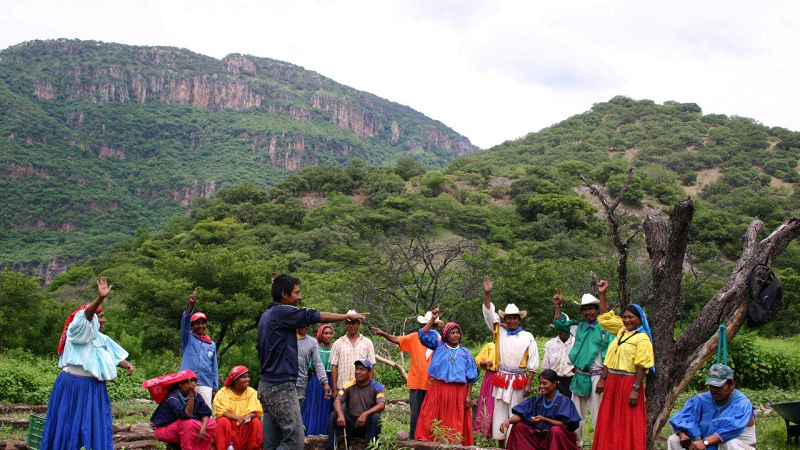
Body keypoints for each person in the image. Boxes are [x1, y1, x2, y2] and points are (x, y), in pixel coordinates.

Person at [257, 274, 368, 450]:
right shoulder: (282, 312)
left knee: (272, 442)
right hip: (281, 387)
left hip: (266, 385)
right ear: (284, 294)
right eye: (296, 292)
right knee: (295, 439)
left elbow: (260, 354)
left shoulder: (266, 316)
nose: (299, 297)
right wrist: (346, 316)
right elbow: (316, 316)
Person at [41, 276, 134, 450]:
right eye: (101, 317)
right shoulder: (76, 332)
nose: (104, 320)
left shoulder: (102, 339)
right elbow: (85, 316)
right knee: (69, 424)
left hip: (94, 388)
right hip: (73, 386)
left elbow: (113, 355)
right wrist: (100, 299)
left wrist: (126, 364)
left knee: (94, 425)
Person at [592, 284, 655, 450]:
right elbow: (605, 318)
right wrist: (602, 295)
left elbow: (642, 366)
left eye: (631, 317)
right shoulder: (621, 331)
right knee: (609, 418)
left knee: (627, 420)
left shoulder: (642, 339)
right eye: (625, 317)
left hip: (628, 383)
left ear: (640, 319)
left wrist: (635, 388)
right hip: (612, 381)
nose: (627, 320)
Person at [553, 283, 614, 446]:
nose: (588, 312)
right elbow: (559, 324)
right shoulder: (578, 327)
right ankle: (575, 444)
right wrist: (558, 305)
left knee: (598, 414)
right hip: (580, 375)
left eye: (591, 309)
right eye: (585, 309)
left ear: (596, 309)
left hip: (597, 376)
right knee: (576, 414)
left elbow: (610, 354)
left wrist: (603, 378)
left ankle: (600, 445)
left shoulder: (604, 329)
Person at [482, 276, 540, 444]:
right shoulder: (500, 332)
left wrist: (529, 382)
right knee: (499, 411)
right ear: (505, 319)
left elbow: (533, 362)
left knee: (517, 412)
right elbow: (489, 315)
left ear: (519, 319)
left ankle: (516, 444)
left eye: (515, 318)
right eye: (509, 318)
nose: (512, 320)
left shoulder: (527, 336)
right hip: (502, 377)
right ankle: (501, 443)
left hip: (518, 379)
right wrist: (487, 294)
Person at [371, 310, 444, 439]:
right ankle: (414, 439)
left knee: (433, 414)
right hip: (417, 382)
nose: (428, 327)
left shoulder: (441, 341)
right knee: (416, 414)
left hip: (435, 384)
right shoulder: (415, 337)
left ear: (435, 326)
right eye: (426, 324)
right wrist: (383, 334)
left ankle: (431, 439)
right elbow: (397, 339)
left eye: (432, 324)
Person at [415, 308, 478, 446]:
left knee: (454, 420)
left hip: (458, 392)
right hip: (438, 389)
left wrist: (468, 395)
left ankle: (454, 443)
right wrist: (432, 318)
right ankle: (430, 443)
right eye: (452, 333)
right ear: (446, 335)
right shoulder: (438, 346)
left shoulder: (465, 353)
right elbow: (422, 335)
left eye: (457, 333)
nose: (455, 335)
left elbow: (470, 376)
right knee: (432, 416)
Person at [668, 364, 756, 450]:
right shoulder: (701, 400)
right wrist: (683, 435)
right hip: (709, 447)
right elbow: (682, 419)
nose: (715, 390)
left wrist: (705, 442)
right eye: (712, 386)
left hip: (738, 446)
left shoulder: (742, 404)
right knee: (674, 439)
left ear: (732, 384)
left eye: (719, 386)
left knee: (729, 443)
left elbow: (731, 430)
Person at [500, 369, 582, 450]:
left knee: (555, 430)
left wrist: (544, 419)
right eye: (540, 383)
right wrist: (508, 421)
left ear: (554, 383)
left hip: (556, 440)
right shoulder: (537, 399)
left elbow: (564, 425)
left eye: (544, 383)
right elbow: (522, 414)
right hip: (538, 438)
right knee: (519, 426)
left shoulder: (564, 401)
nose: (541, 386)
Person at [148, 370, 217, 450]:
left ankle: (203, 447)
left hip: (187, 427)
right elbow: (186, 415)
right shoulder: (172, 398)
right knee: (187, 423)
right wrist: (191, 396)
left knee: (212, 422)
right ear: (180, 384)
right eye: (188, 384)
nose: (192, 387)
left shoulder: (196, 395)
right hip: (166, 429)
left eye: (193, 384)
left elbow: (205, 412)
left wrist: (203, 428)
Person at [326, 359, 386, 450]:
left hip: (366, 424)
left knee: (376, 417)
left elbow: (381, 404)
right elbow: (338, 400)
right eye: (357, 369)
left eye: (362, 369)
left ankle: (370, 448)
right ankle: (331, 447)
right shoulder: (348, 385)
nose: (358, 372)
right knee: (334, 415)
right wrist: (340, 414)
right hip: (350, 424)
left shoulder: (377, 387)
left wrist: (365, 414)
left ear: (369, 372)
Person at [180, 287, 218, 408]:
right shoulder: (188, 338)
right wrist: (191, 304)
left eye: (203, 323)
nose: (200, 326)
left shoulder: (211, 344)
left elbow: (214, 368)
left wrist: (215, 388)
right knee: (185, 413)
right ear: (193, 325)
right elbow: (185, 320)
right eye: (197, 323)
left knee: (205, 414)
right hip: (186, 382)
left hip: (205, 383)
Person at [213, 366, 263, 450]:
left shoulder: (252, 392)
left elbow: (256, 410)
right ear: (235, 380)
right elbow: (221, 411)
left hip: (245, 426)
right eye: (244, 377)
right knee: (222, 421)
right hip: (229, 426)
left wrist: (249, 416)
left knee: (256, 422)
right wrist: (238, 418)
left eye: (248, 377)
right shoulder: (223, 392)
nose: (247, 379)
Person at [302, 325, 335, 435]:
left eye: (330, 333)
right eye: (326, 333)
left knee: (328, 407)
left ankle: (327, 432)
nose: (329, 335)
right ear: (320, 335)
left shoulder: (335, 348)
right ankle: (312, 432)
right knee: (315, 406)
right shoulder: (315, 347)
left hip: (332, 379)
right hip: (317, 382)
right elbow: (311, 367)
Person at [330, 309, 375, 391]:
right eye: (348, 323)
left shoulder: (367, 342)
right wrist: (334, 388)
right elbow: (334, 367)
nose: (351, 326)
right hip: (343, 387)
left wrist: (369, 387)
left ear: (358, 324)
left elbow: (371, 366)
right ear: (345, 324)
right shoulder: (338, 343)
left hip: (362, 388)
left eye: (353, 323)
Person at [542, 307, 577, 397]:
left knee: (569, 406)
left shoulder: (576, 343)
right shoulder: (550, 344)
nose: (562, 332)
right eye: (560, 329)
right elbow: (546, 367)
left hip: (571, 381)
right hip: (554, 382)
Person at [296, 326, 331, 410]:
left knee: (297, 414)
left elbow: (318, 363)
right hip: (284, 383)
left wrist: (325, 383)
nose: (328, 336)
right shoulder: (285, 337)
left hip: (301, 385)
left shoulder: (311, 342)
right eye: (326, 333)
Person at [474, 341, 498, 439]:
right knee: (487, 402)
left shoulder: (510, 344)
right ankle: (483, 432)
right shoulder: (490, 345)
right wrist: (485, 362)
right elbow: (478, 359)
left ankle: (498, 434)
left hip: (505, 377)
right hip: (491, 376)